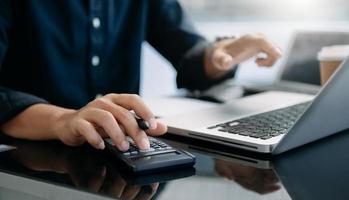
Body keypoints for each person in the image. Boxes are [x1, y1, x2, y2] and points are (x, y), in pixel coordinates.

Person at [0, 0, 281, 151]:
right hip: (27, 162)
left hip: (123, 158)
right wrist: (63, 120)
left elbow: (190, 56)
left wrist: (223, 55)